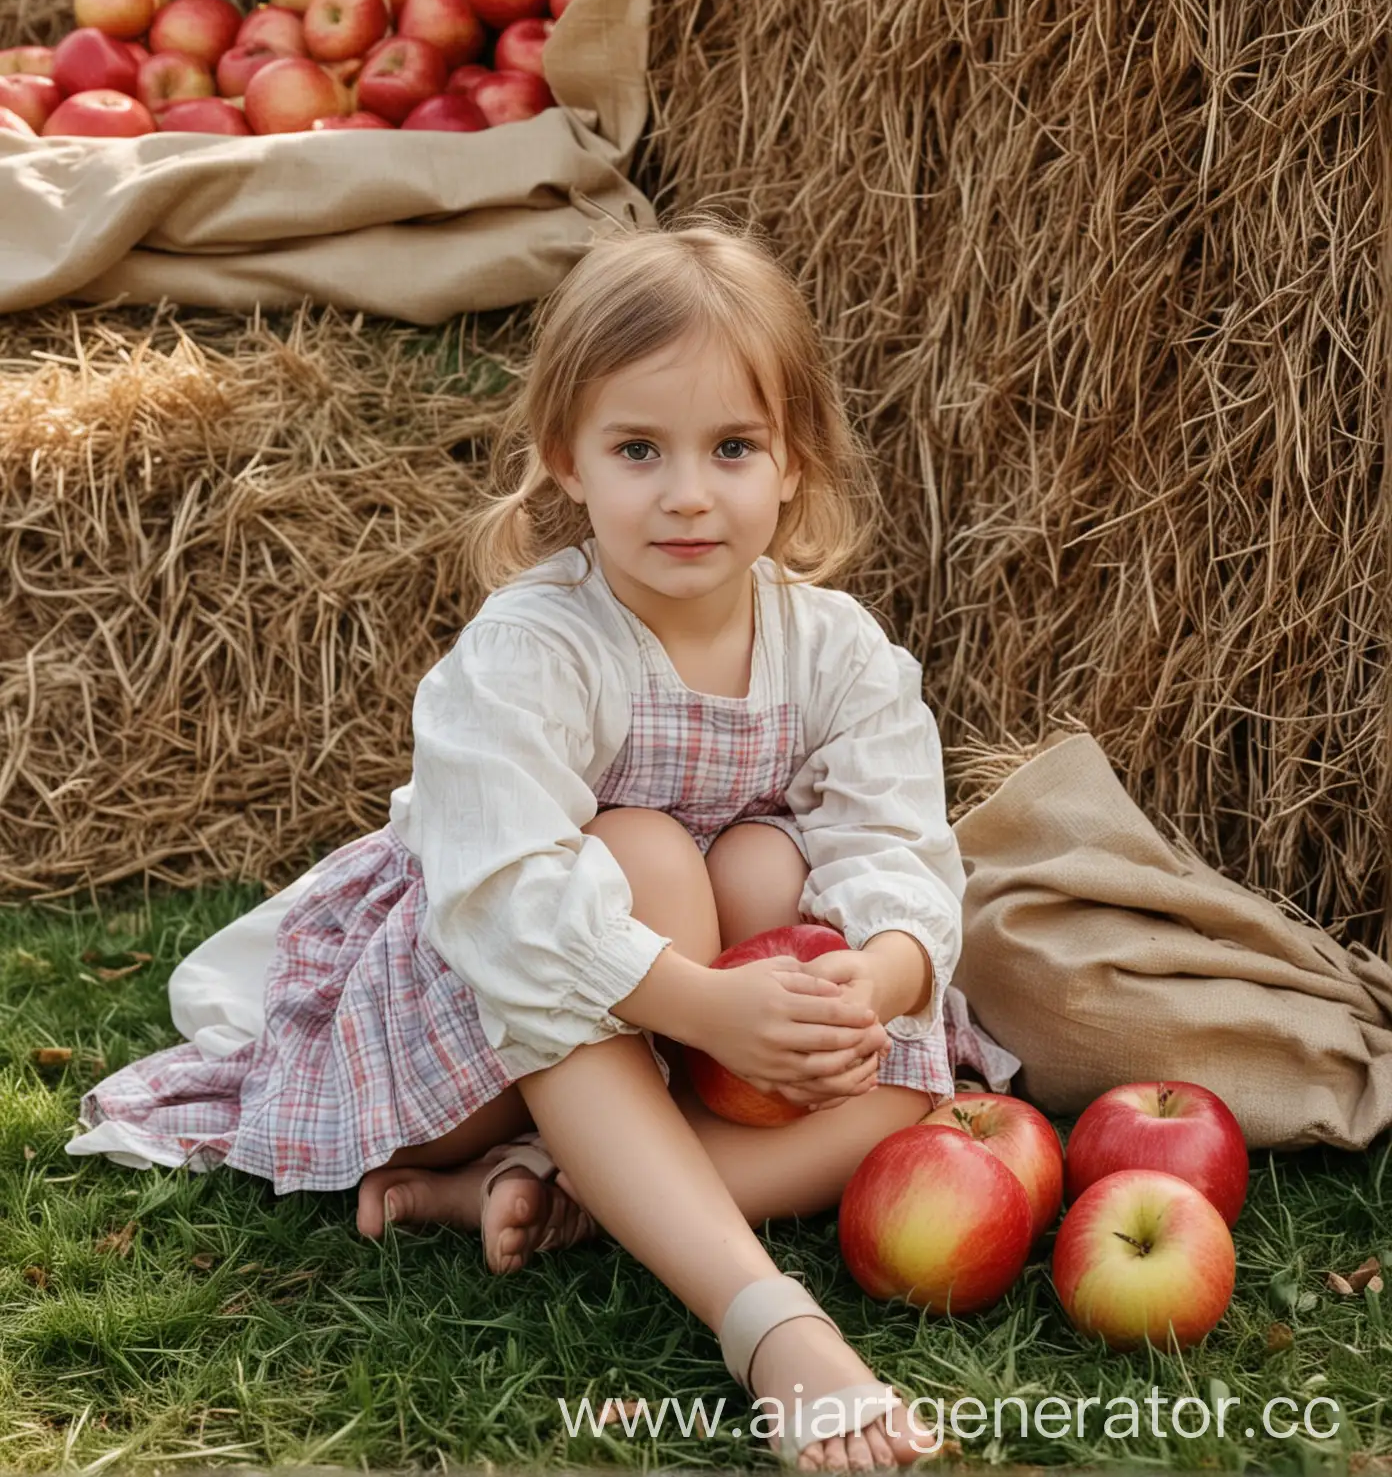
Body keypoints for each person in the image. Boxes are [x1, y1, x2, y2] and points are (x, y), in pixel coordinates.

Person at [68, 220, 1020, 1472]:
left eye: (732, 447)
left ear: (795, 465)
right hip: (482, 1022)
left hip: (689, 1050)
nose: (688, 492)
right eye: (641, 449)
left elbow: (897, 835)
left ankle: (594, 1186)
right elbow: (511, 900)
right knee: (643, 851)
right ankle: (769, 1325)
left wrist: (880, 979)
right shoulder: (535, 649)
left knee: (859, 1009)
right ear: (565, 461)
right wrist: (705, 1008)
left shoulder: (835, 649)